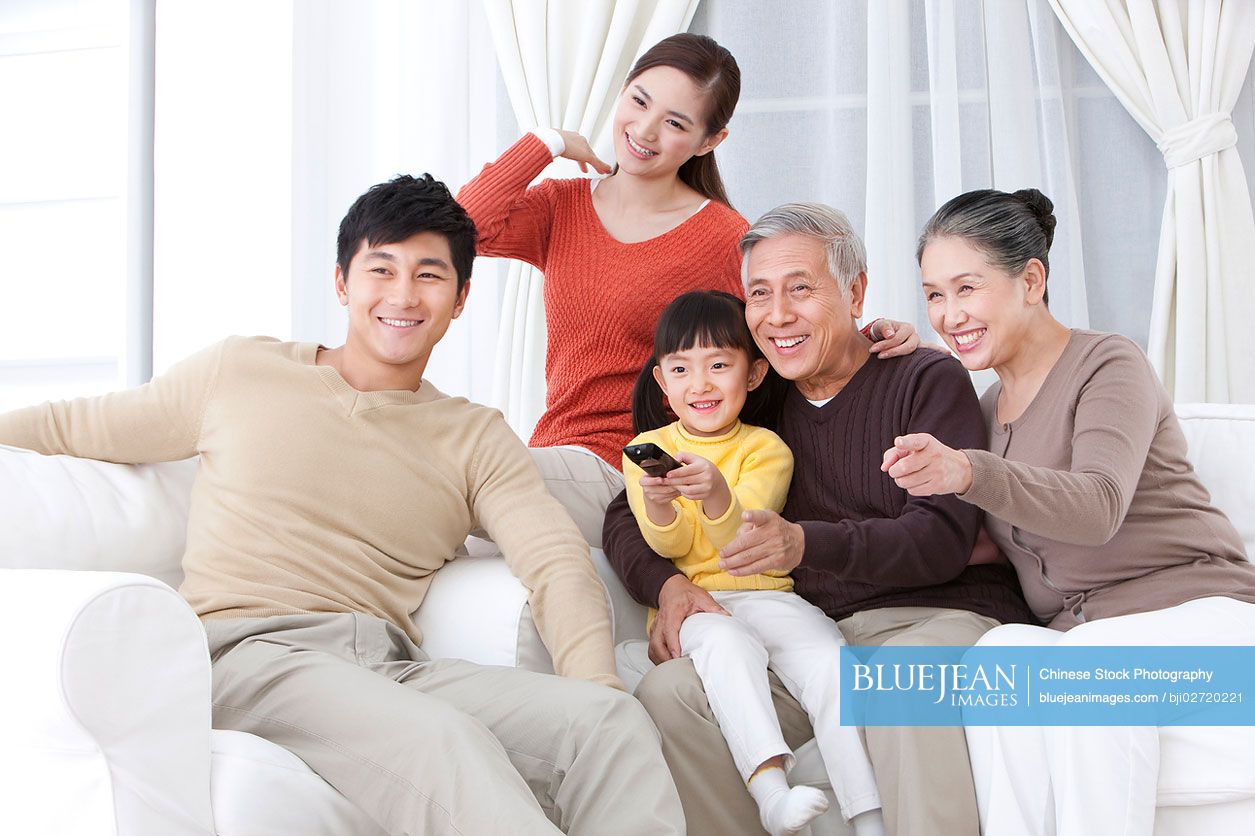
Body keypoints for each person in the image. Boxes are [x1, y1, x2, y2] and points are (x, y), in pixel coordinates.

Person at [0, 174, 685, 836]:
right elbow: (72, 427)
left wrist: (597, 683)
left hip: (387, 667)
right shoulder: (240, 372)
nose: (403, 295)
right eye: (380, 269)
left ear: (461, 297)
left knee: (607, 725)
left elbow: (554, 561)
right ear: (342, 282)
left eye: (428, 274)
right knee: (441, 743)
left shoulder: (474, 435)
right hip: (252, 656)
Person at [604, 202, 1034, 836]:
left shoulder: (923, 378)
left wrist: (802, 544)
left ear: (855, 291)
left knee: (896, 685)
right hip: (816, 634)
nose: (777, 315)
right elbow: (624, 507)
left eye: (800, 289)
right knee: (673, 700)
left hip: (933, 617)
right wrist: (670, 587)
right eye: (759, 294)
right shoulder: (764, 398)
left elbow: (943, 540)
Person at [884, 187, 1255, 836]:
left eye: (965, 288)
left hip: (1202, 617)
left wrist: (970, 471)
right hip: (1087, 638)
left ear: (1031, 280)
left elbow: (1096, 508)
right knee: (1000, 660)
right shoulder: (983, 407)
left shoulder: (1106, 364)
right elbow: (982, 538)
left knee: (1084, 671)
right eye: (933, 295)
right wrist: (888, 363)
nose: (947, 314)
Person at [456, 33, 918, 540]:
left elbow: (778, 338)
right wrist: (548, 141)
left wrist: (866, 332)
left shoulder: (723, 238)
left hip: (640, 471)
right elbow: (459, 228)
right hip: (556, 453)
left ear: (709, 141)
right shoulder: (560, 207)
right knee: (430, 483)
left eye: (675, 123)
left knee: (455, 470)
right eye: (639, 101)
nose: (645, 130)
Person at [624, 290, 882, 836]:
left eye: (720, 365)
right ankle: (771, 792)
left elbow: (742, 541)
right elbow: (668, 548)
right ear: (662, 382)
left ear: (756, 374)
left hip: (766, 591)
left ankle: (870, 817)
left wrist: (718, 495)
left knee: (831, 663)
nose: (702, 383)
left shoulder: (767, 449)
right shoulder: (647, 446)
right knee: (725, 642)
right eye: (682, 369)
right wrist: (658, 504)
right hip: (700, 605)